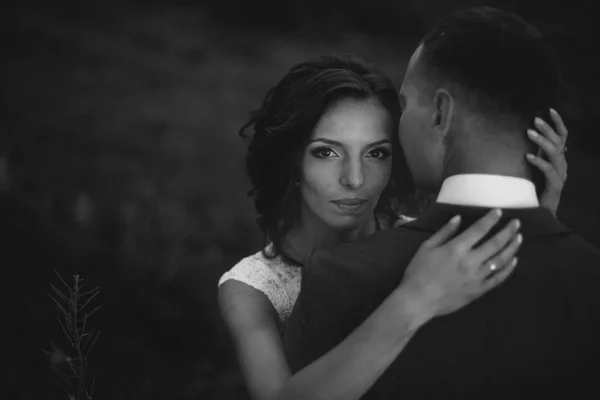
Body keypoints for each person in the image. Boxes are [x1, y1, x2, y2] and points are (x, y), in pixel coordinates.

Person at [283, 7, 600, 399]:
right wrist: (540, 227)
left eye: (406, 102)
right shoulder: (587, 277)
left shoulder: (340, 276)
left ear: (440, 113)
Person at [218, 52, 568, 400]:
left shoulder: (432, 241)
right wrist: (413, 301)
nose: (355, 179)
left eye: (376, 153)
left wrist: (537, 213)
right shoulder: (250, 288)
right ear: (292, 160)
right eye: (326, 152)